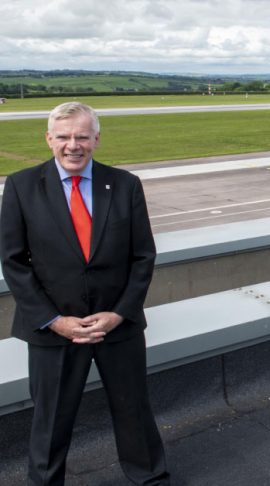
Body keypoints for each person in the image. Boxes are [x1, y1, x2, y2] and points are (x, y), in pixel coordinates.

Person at [0, 102, 169, 485]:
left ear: (96, 139)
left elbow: (143, 256)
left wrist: (119, 313)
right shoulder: (22, 186)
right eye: (63, 136)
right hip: (54, 329)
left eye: (82, 136)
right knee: (50, 422)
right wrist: (54, 320)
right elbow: (14, 262)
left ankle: (151, 479)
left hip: (117, 326)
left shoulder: (125, 184)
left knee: (134, 412)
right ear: (49, 139)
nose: (73, 145)